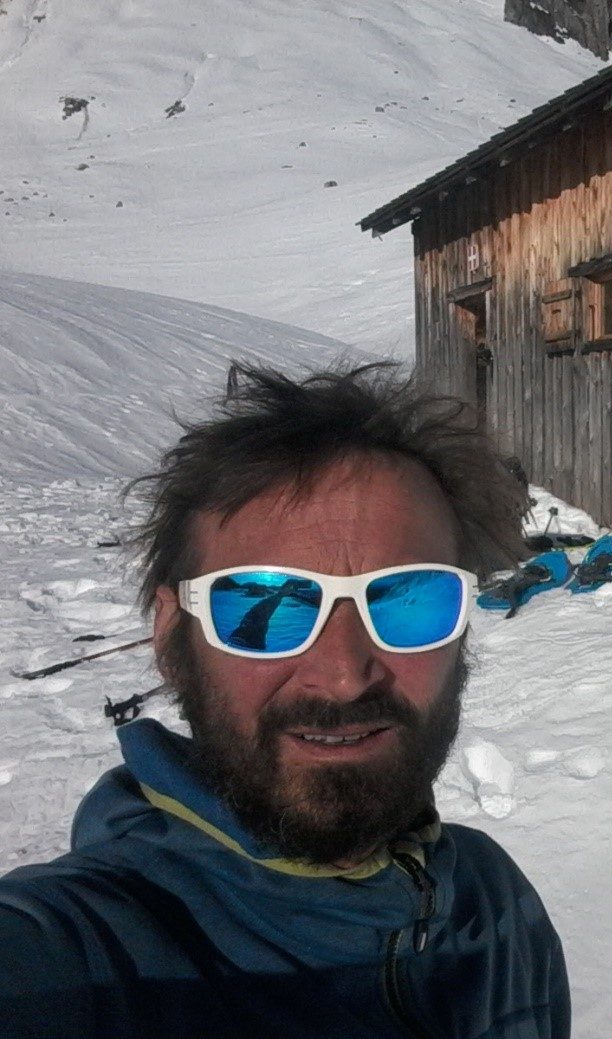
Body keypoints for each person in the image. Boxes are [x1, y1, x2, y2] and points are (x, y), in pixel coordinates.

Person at [0, 363, 570, 1039]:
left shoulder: (494, 907)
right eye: (266, 604)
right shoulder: (77, 954)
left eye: (410, 599)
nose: (343, 674)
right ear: (170, 635)